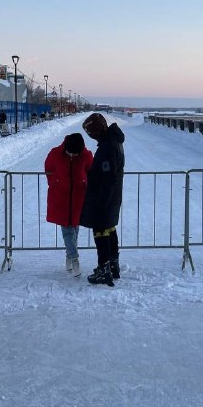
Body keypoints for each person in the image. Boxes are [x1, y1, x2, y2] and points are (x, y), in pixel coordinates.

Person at [79, 113, 125, 287]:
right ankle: (113, 265)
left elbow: (108, 177)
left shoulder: (108, 147)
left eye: (90, 131)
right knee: (110, 229)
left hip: (105, 198)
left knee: (101, 232)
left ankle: (103, 269)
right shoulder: (114, 142)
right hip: (112, 197)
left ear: (96, 130)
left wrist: (100, 202)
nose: (90, 135)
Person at [45, 133, 94, 276]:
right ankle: (74, 259)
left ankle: (69, 256)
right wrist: (55, 183)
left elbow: (90, 172)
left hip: (79, 198)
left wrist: (85, 184)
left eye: (75, 154)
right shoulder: (55, 153)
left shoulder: (86, 155)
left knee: (75, 228)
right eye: (69, 153)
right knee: (68, 230)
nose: (72, 155)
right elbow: (48, 169)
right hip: (61, 197)